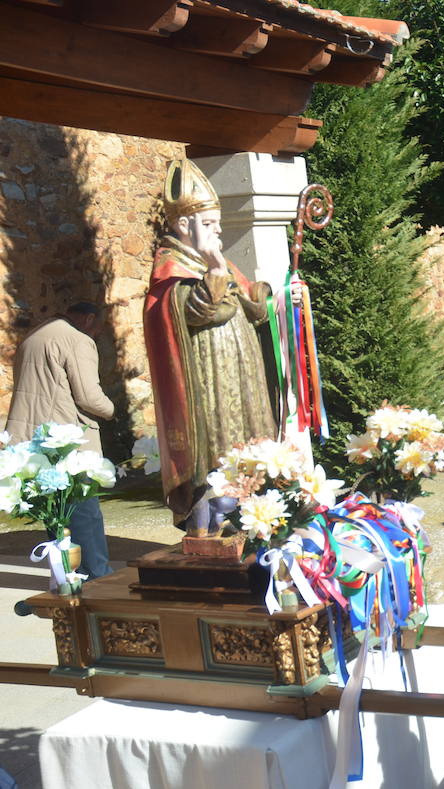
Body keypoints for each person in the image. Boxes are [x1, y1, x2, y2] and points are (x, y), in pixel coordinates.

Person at [144, 158, 277, 531]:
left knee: (247, 454)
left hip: (240, 381)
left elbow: (253, 305)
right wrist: (215, 270)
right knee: (215, 461)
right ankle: (206, 528)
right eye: (208, 224)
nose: (217, 231)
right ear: (184, 225)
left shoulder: (215, 261)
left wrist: (276, 294)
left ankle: (247, 518)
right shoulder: (171, 272)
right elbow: (199, 311)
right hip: (209, 387)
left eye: (217, 223)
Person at [5, 302, 116, 577]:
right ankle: (96, 577)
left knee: (56, 516)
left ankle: (67, 573)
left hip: (34, 438)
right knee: (84, 513)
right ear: (89, 319)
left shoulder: (35, 335)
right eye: (99, 328)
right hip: (66, 440)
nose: (97, 334)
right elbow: (89, 397)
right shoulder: (77, 339)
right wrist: (112, 410)